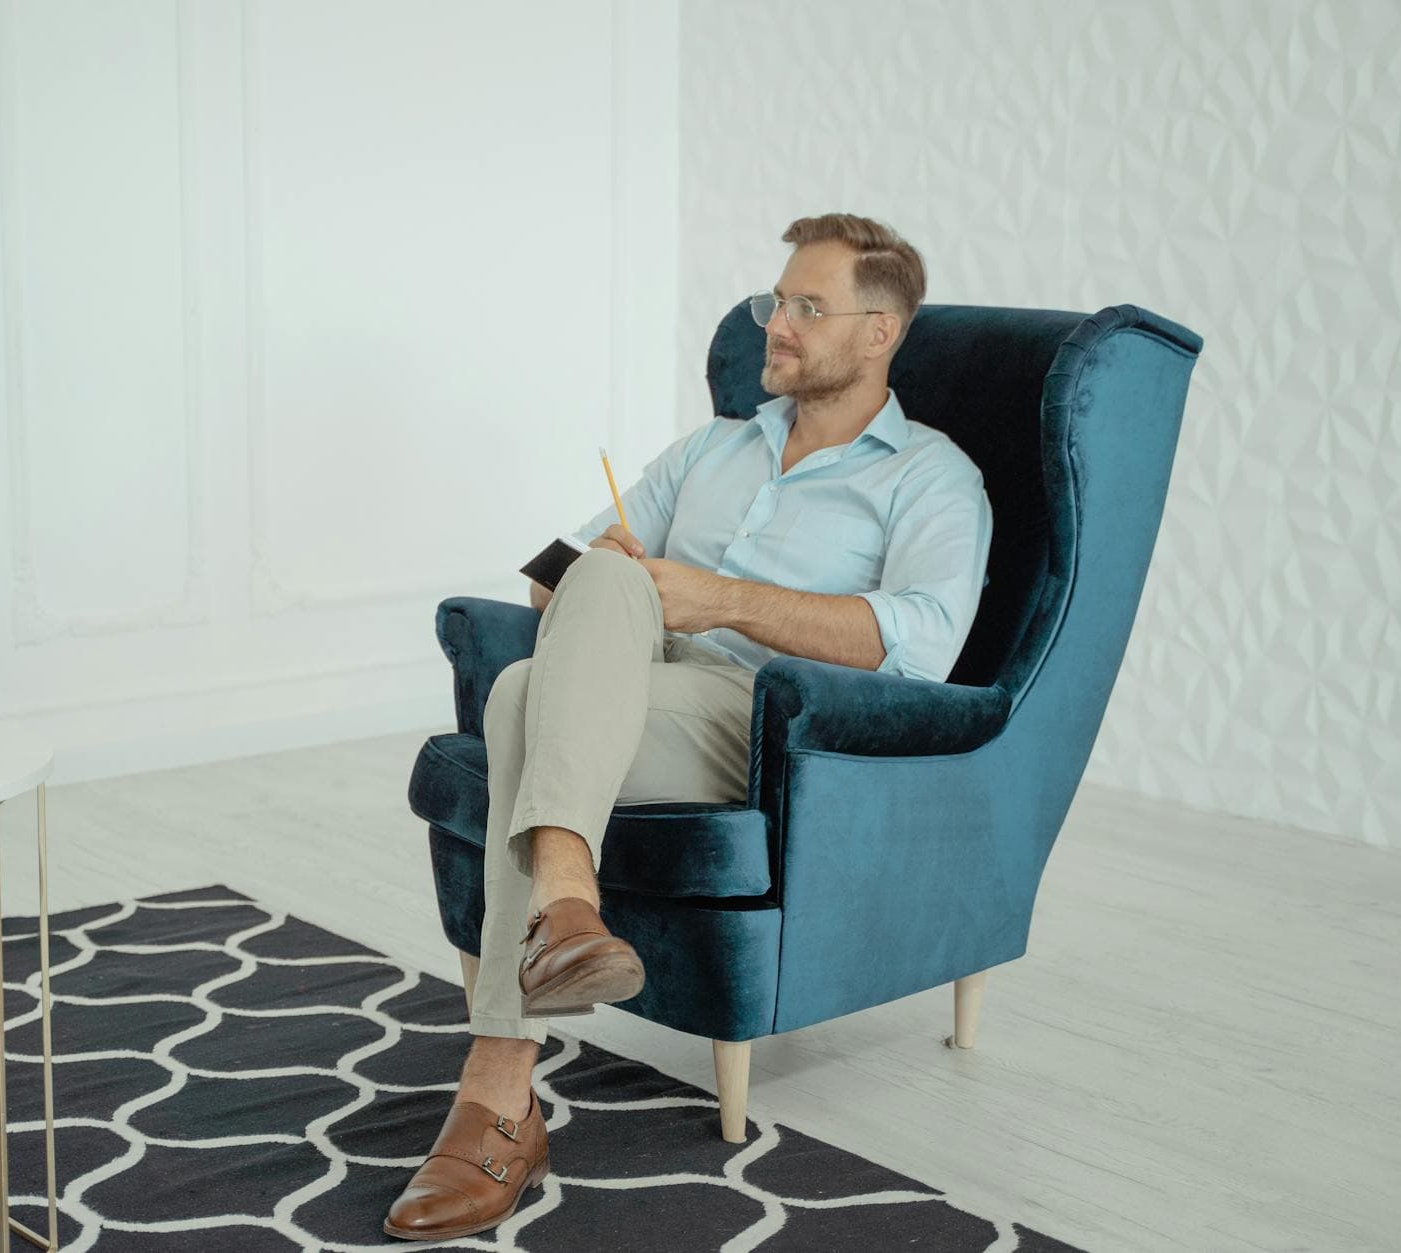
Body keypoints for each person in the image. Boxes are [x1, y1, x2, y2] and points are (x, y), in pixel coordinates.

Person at [382, 212, 994, 1242]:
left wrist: (722, 598)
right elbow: (546, 575)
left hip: (764, 717)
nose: (777, 326)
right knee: (553, 651)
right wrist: (593, 570)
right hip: (631, 683)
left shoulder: (929, 477)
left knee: (518, 701)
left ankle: (499, 1085)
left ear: (879, 330)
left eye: (807, 307)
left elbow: (921, 644)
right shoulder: (715, 443)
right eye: (775, 302)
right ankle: (564, 913)